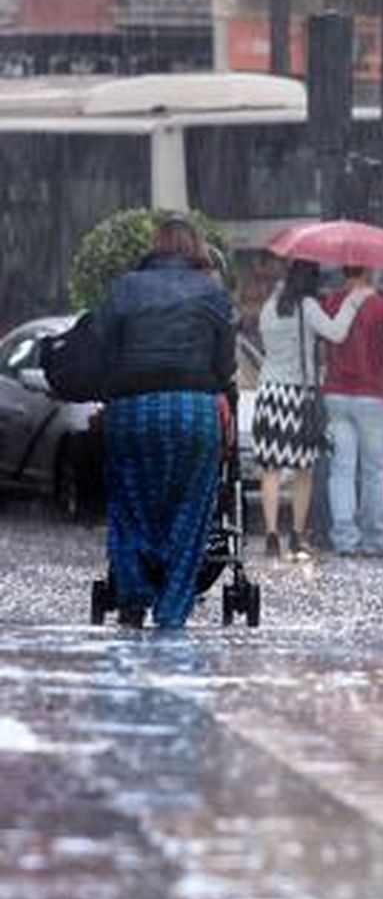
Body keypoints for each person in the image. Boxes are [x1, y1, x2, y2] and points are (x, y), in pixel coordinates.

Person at [98, 217, 235, 629]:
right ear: (196, 248)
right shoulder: (211, 291)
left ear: (155, 246)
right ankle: (173, 612)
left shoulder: (125, 287)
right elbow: (225, 365)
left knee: (129, 506)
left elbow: (105, 352)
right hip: (193, 412)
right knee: (190, 512)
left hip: (131, 411)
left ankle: (132, 599)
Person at [252, 259, 372, 561]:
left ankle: (271, 537)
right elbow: (337, 332)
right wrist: (354, 301)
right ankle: (296, 536)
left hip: (269, 392)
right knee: (303, 468)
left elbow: (267, 343)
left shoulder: (270, 306)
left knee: (270, 468)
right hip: (298, 395)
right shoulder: (307, 306)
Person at [321, 267, 383, 557]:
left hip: (336, 395)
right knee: (374, 471)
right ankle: (373, 540)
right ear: (370, 270)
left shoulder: (331, 303)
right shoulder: (382, 306)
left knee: (341, 470)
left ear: (344, 271)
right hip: (372, 397)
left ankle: (344, 539)